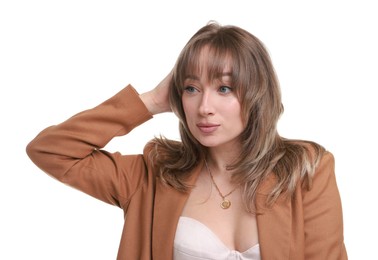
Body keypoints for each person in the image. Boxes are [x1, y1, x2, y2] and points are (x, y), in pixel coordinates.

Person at [26, 21, 347, 260]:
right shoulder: (153, 174)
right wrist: (150, 101)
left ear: (257, 93)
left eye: (224, 88)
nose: (204, 108)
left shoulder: (306, 170)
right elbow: (50, 150)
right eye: (192, 88)